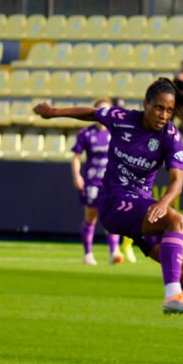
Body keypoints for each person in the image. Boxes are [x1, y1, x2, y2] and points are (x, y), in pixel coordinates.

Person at [33, 79, 183, 362]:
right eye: (159, 108)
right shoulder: (123, 118)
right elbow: (91, 113)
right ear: (145, 105)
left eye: (169, 110)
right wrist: (53, 112)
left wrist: (164, 202)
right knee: (177, 222)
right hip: (114, 203)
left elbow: (178, 179)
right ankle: (172, 295)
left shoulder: (170, 136)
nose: (164, 115)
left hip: (142, 207)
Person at [71, 98, 124, 266]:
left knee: (112, 216)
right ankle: (88, 254)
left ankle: (114, 251)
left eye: (107, 110)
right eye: (100, 110)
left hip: (111, 182)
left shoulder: (116, 132)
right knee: (91, 217)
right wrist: (77, 176)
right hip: (92, 181)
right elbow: (76, 157)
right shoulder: (85, 133)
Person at [110, 97, 137, 264]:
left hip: (130, 175)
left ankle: (126, 244)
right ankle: (114, 249)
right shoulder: (107, 128)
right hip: (110, 176)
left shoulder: (131, 127)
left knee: (132, 211)